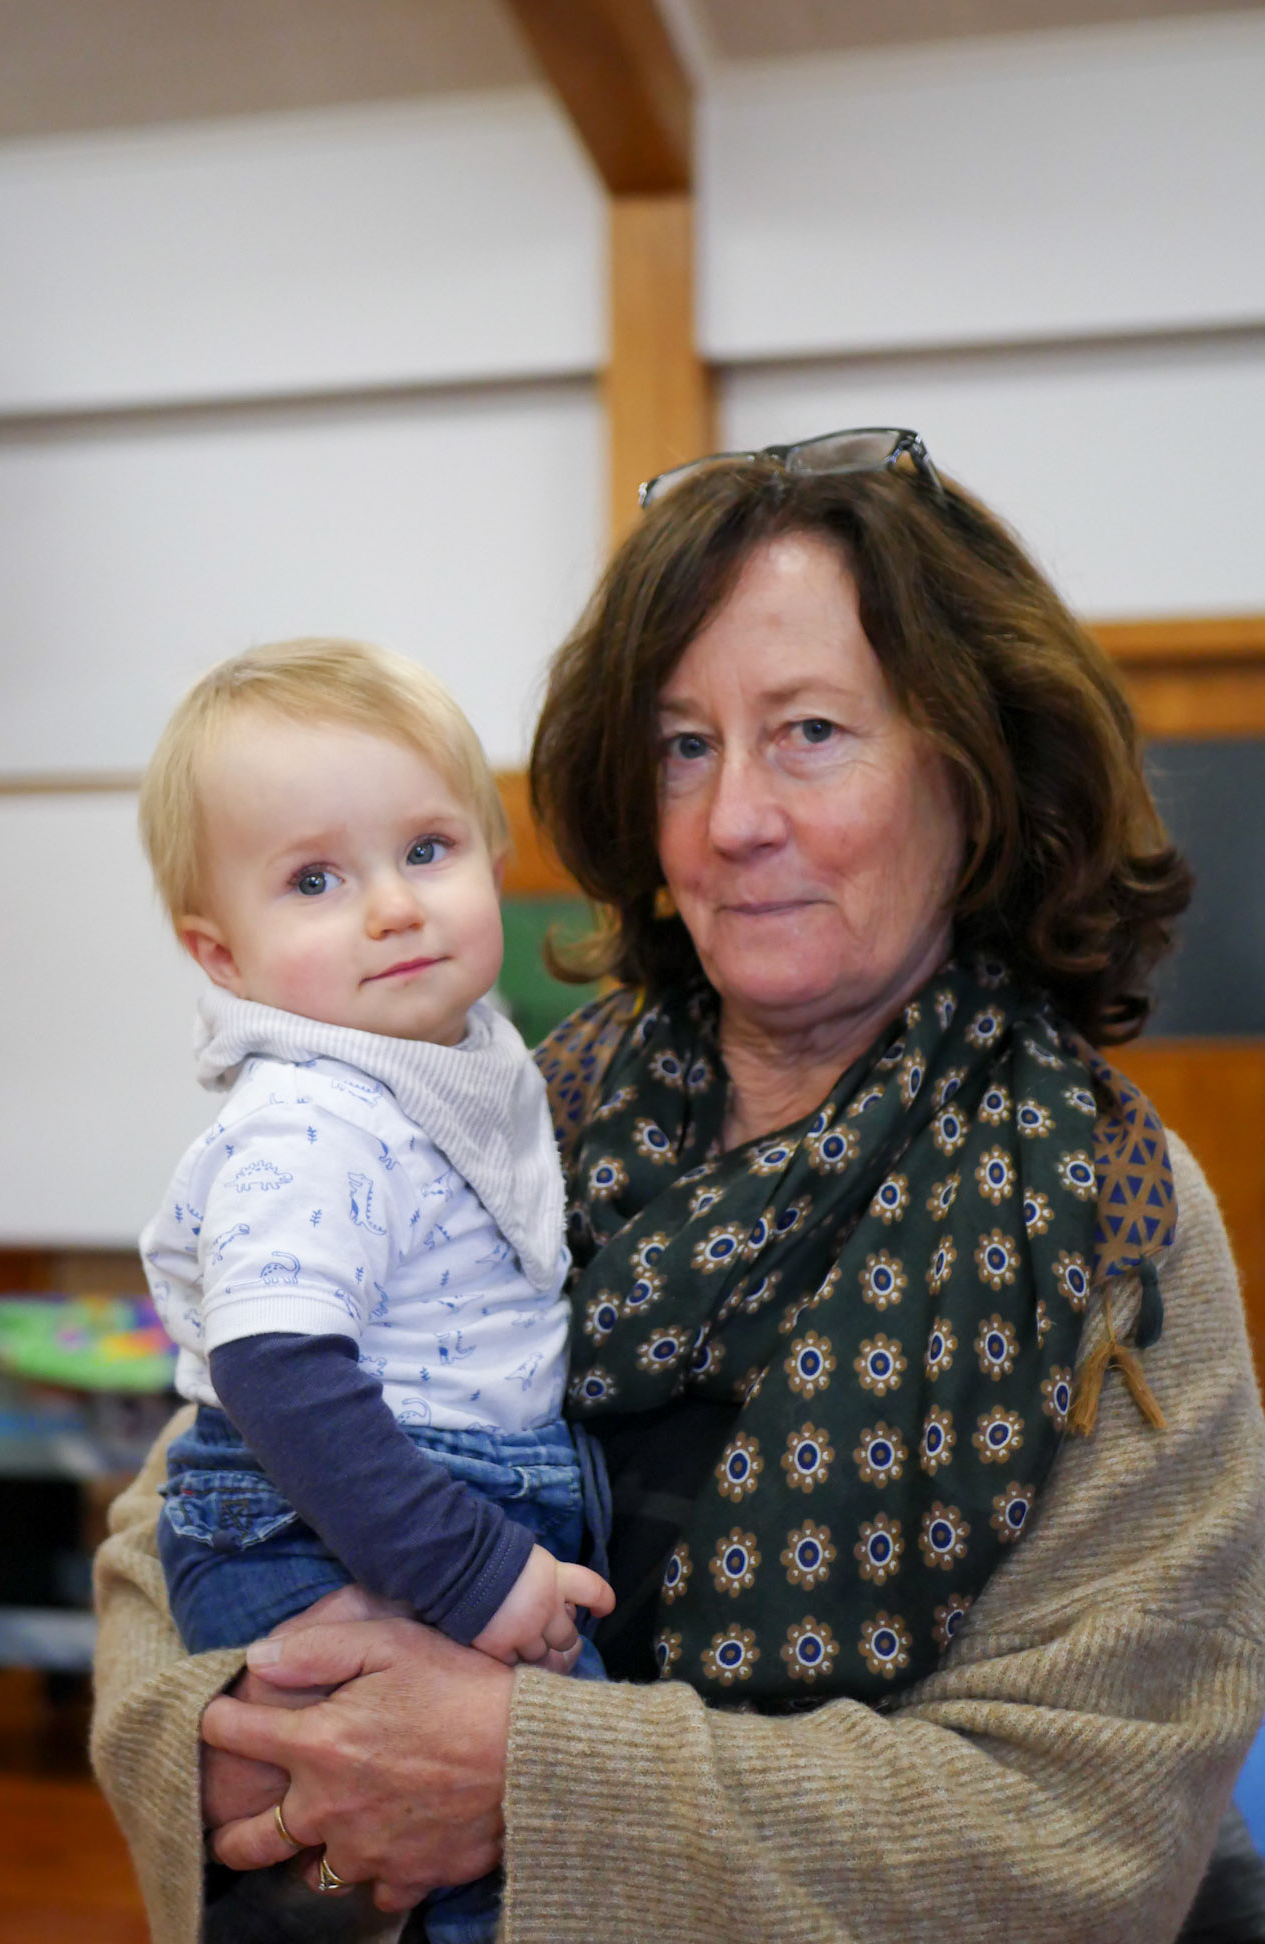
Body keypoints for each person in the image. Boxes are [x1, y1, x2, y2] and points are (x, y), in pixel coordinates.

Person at [94, 431, 1265, 1944]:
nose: (734, 820)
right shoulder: (512, 1108)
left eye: (811, 732)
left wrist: (530, 1782)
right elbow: (184, 1509)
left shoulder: (1108, 1221)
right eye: (684, 747)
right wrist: (239, 1739)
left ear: (973, 775)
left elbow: (1087, 1829)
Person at [133, 639, 612, 1942]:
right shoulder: (314, 1118)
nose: (393, 908)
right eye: (315, 879)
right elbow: (278, 1374)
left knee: (509, 1822)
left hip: (421, 1505)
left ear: (495, 861)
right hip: (337, 1523)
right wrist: (476, 1574)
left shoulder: (456, 1061)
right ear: (220, 952)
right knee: (511, 1833)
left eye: (426, 850)